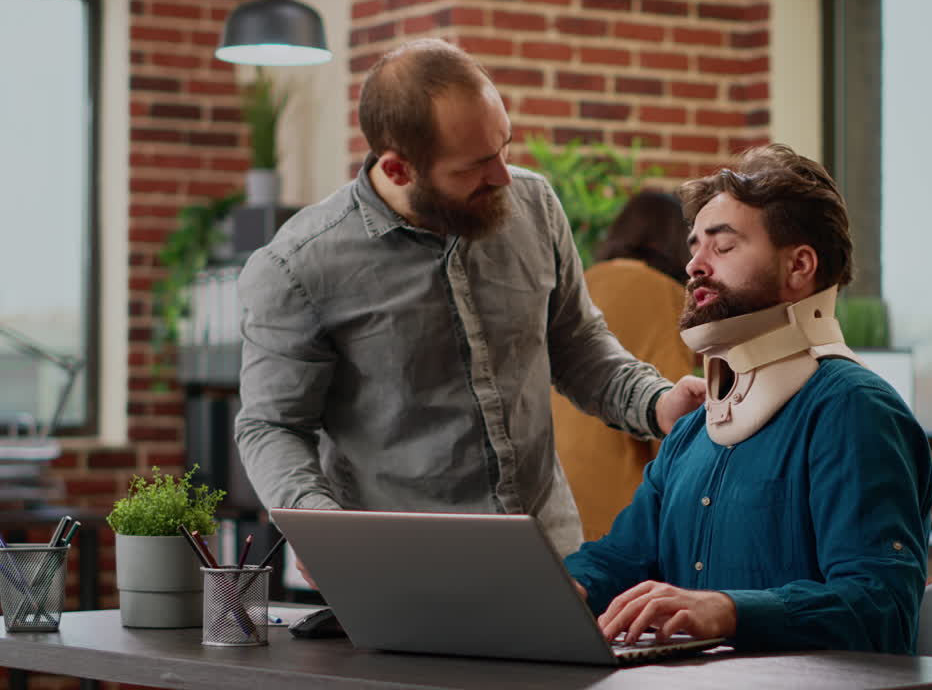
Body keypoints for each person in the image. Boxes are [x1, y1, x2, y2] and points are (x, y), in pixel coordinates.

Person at [233, 39, 705, 564]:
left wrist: (657, 404)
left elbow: (578, 347)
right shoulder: (298, 266)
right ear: (397, 170)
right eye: (475, 166)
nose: (504, 176)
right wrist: (320, 526)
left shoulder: (534, 205)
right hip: (401, 565)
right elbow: (272, 425)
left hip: (550, 551)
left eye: (505, 147)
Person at [564, 144, 932, 654]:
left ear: (799, 266)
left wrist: (726, 610)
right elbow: (620, 558)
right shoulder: (694, 428)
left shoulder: (855, 411)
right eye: (694, 246)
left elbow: (881, 606)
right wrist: (554, 591)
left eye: (723, 246)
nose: (694, 264)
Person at [552, 190, 697, 541]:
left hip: (554, 503)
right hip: (616, 515)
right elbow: (676, 425)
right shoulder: (666, 296)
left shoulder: (582, 282)